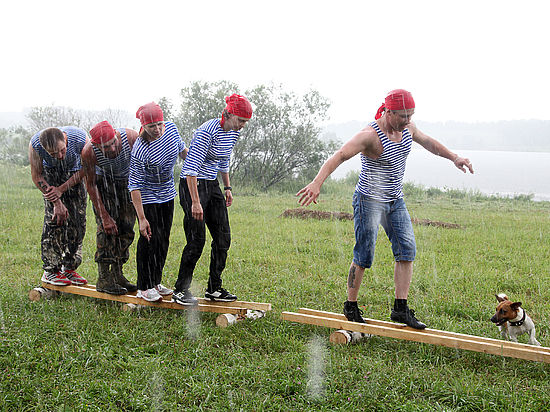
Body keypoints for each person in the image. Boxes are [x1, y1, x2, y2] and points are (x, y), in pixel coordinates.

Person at [297, 89, 474, 329]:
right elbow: (339, 156)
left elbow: (429, 143)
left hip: (395, 200)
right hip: (369, 201)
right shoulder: (369, 136)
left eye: (411, 115)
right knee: (364, 254)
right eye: (403, 115)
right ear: (388, 112)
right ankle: (351, 305)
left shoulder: (408, 128)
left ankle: (400, 309)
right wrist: (317, 183)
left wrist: (454, 157)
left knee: (407, 250)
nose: (408, 120)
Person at [171, 94, 252, 305]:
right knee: (197, 241)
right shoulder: (206, 132)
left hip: (212, 184)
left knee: (223, 238)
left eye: (245, 122)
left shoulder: (233, 133)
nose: (242, 126)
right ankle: (180, 290)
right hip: (193, 185)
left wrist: (227, 187)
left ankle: (214, 288)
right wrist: (196, 202)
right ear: (227, 114)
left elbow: (224, 159)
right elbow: (190, 169)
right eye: (240, 120)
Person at [128, 102, 188, 302]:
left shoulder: (171, 129)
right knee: (149, 240)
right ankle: (144, 286)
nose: (158, 129)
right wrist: (142, 218)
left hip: (168, 195)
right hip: (148, 198)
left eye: (160, 124)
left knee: (163, 240)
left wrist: (196, 165)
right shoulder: (140, 150)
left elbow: (182, 152)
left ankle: (155, 281)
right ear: (144, 126)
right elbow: (134, 186)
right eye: (152, 126)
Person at [81, 121, 139, 295]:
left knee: (126, 229)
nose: (112, 149)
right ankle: (104, 278)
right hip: (104, 185)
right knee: (107, 230)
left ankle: (118, 274)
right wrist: (104, 216)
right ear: (96, 145)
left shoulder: (131, 138)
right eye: (106, 147)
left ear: (116, 134)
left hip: (128, 184)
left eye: (114, 142)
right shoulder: (89, 152)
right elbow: (90, 184)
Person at [29, 126, 88, 286]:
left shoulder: (81, 139)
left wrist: (62, 189)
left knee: (78, 223)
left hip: (75, 177)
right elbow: (36, 175)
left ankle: (69, 268)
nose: (60, 156)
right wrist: (56, 202)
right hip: (51, 178)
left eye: (62, 150)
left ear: (64, 138)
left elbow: (87, 168)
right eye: (53, 154)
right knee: (54, 222)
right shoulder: (35, 145)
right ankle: (51, 271)